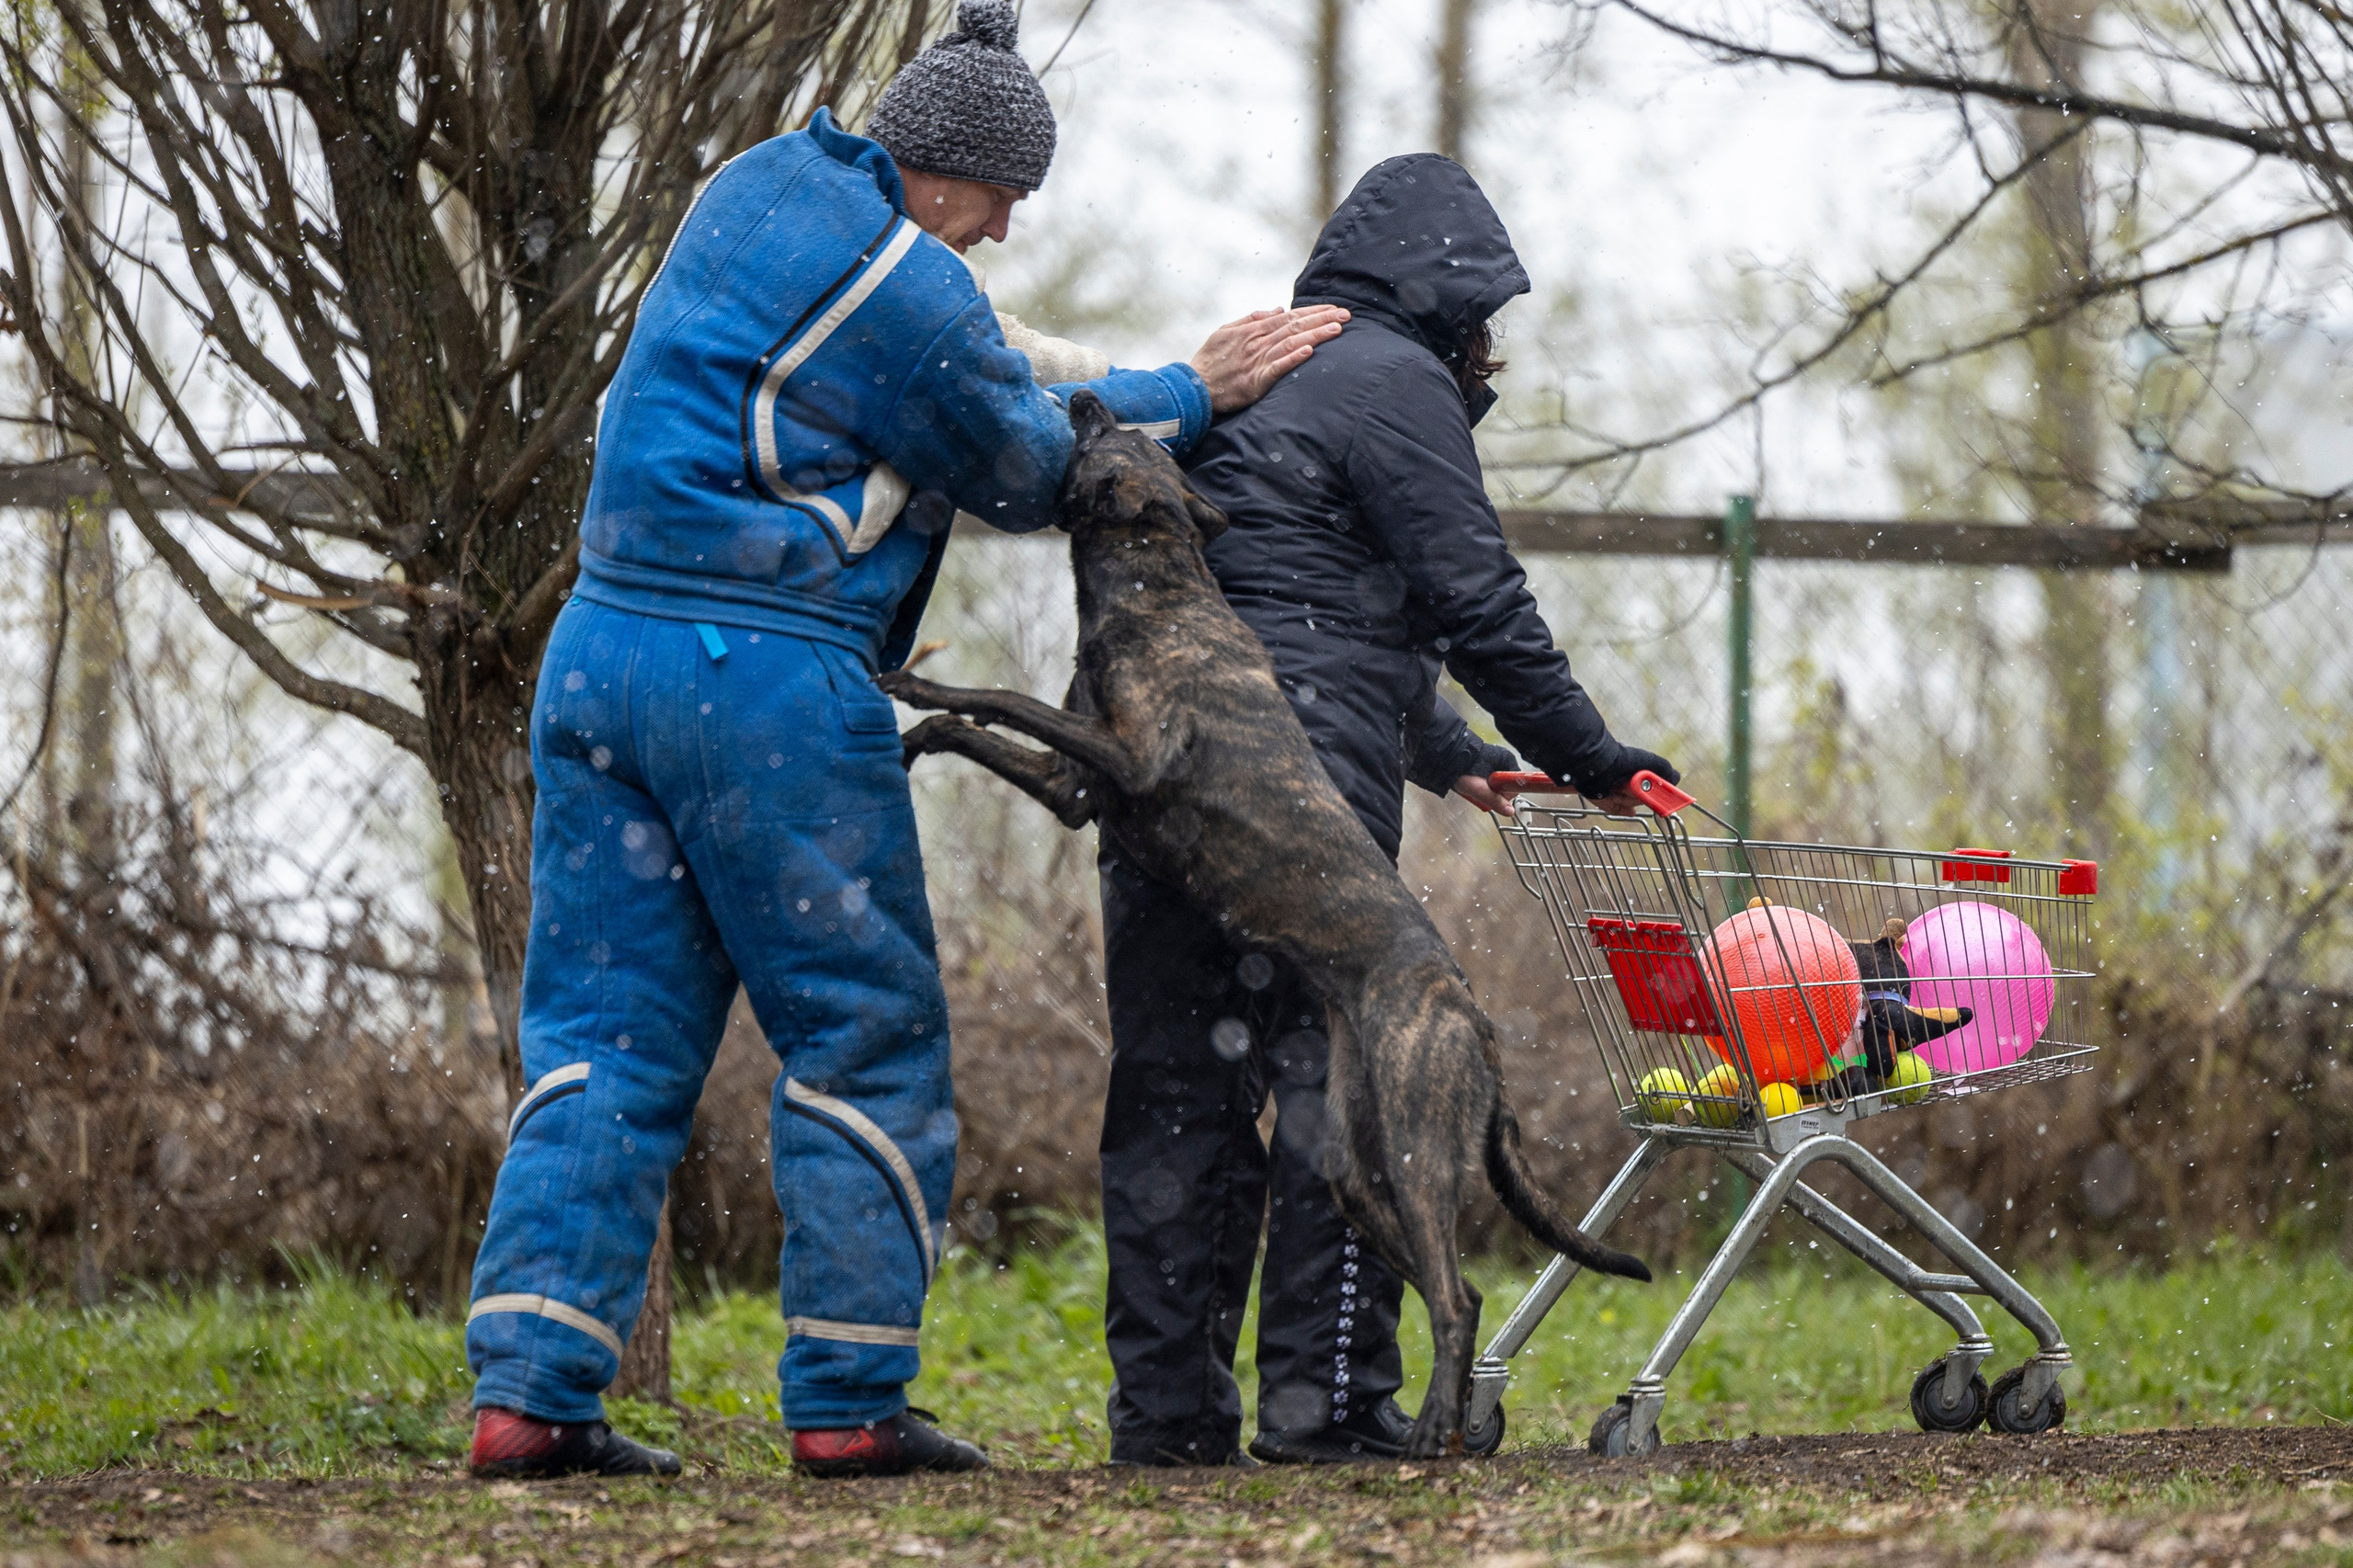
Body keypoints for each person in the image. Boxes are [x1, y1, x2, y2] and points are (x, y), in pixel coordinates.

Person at [460, 0, 1347, 1482]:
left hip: (598, 658)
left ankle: (529, 1391)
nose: (1001, 227)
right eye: (1001, 196)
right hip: (756, 684)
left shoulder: (758, 189)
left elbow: (988, 358)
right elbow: (1022, 457)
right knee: (863, 1031)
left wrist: (1165, 375)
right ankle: (849, 1399)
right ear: (942, 165)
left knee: (604, 1038)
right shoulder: (904, 284)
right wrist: (1193, 399)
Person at [1097, 154, 1679, 1467]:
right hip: (1299, 785)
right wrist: (1589, 754)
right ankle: (1329, 1404)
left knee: (1178, 1084)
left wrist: (1451, 751)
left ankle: (1171, 1417)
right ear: (1450, 300)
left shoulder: (1269, 378)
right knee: (1337, 1082)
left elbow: (1299, 590)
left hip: (1168, 771)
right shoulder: (1397, 377)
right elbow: (1474, 596)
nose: (1490, 357)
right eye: (1485, 327)